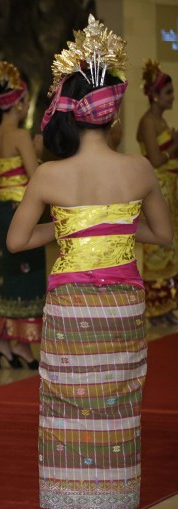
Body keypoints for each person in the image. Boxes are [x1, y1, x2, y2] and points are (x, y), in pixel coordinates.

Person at [7, 16, 173, 509]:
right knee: (120, 409)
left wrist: (69, 227)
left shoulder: (51, 176)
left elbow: (15, 242)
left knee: (65, 407)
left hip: (72, 305)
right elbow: (163, 236)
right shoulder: (140, 168)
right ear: (114, 111)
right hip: (122, 305)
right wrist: (115, 228)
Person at [0, 61, 46, 370]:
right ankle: (21, 344)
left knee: (9, 274)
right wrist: (37, 149)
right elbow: (35, 176)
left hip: (3, 210)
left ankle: (4, 340)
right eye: (24, 101)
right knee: (28, 273)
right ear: (19, 103)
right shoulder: (21, 136)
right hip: (22, 210)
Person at [136, 58, 178, 326]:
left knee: (170, 246)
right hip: (158, 187)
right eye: (168, 93)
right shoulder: (148, 122)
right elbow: (153, 159)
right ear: (154, 96)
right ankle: (155, 305)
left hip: (170, 187)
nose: (173, 97)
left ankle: (167, 304)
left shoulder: (161, 122)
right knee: (157, 248)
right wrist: (175, 148)